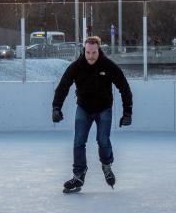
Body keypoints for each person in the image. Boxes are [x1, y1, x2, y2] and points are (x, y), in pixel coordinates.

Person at [52, 36, 133, 193]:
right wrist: (56, 107)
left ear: (99, 50)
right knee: (78, 142)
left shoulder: (108, 66)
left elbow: (124, 87)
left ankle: (106, 165)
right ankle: (78, 175)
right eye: (88, 52)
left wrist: (127, 112)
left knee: (103, 140)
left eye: (94, 52)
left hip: (104, 108)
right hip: (84, 108)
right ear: (84, 50)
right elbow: (63, 86)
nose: (90, 56)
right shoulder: (77, 66)